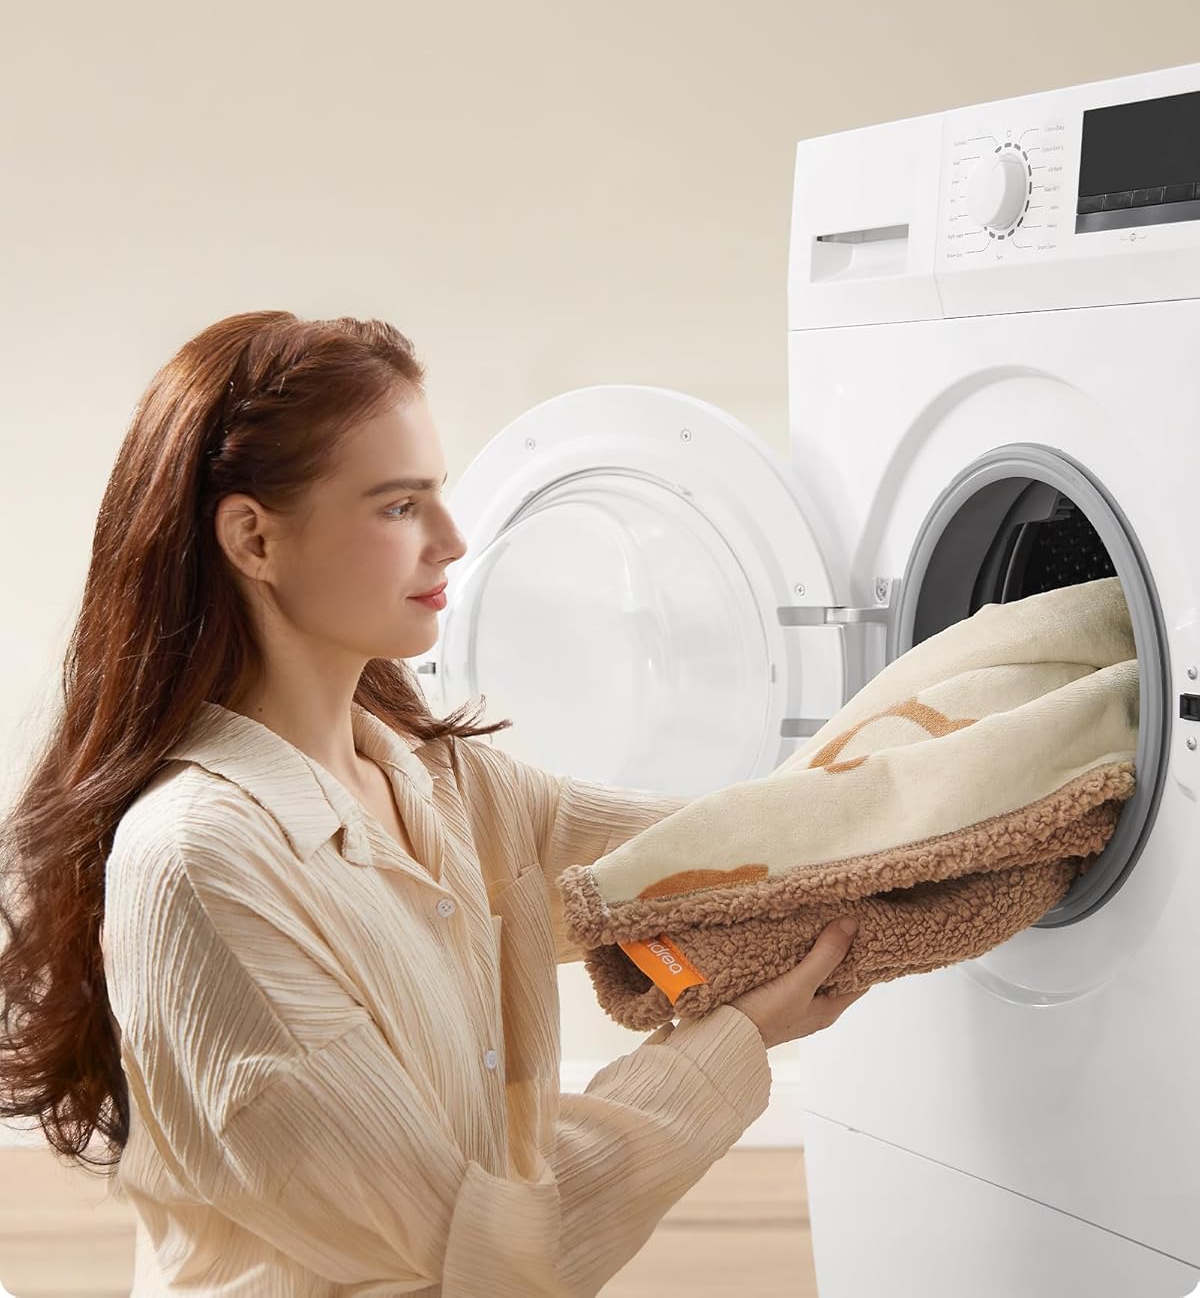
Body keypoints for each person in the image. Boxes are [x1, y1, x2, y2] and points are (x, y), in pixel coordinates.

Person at [0, 310, 867, 1296]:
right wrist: (731, 1046)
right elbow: (482, 1248)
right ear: (254, 538)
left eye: (437, 495)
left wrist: (958, 754)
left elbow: (722, 846)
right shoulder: (200, 863)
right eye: (399, 506)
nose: (453, 541)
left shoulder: (445, 785)